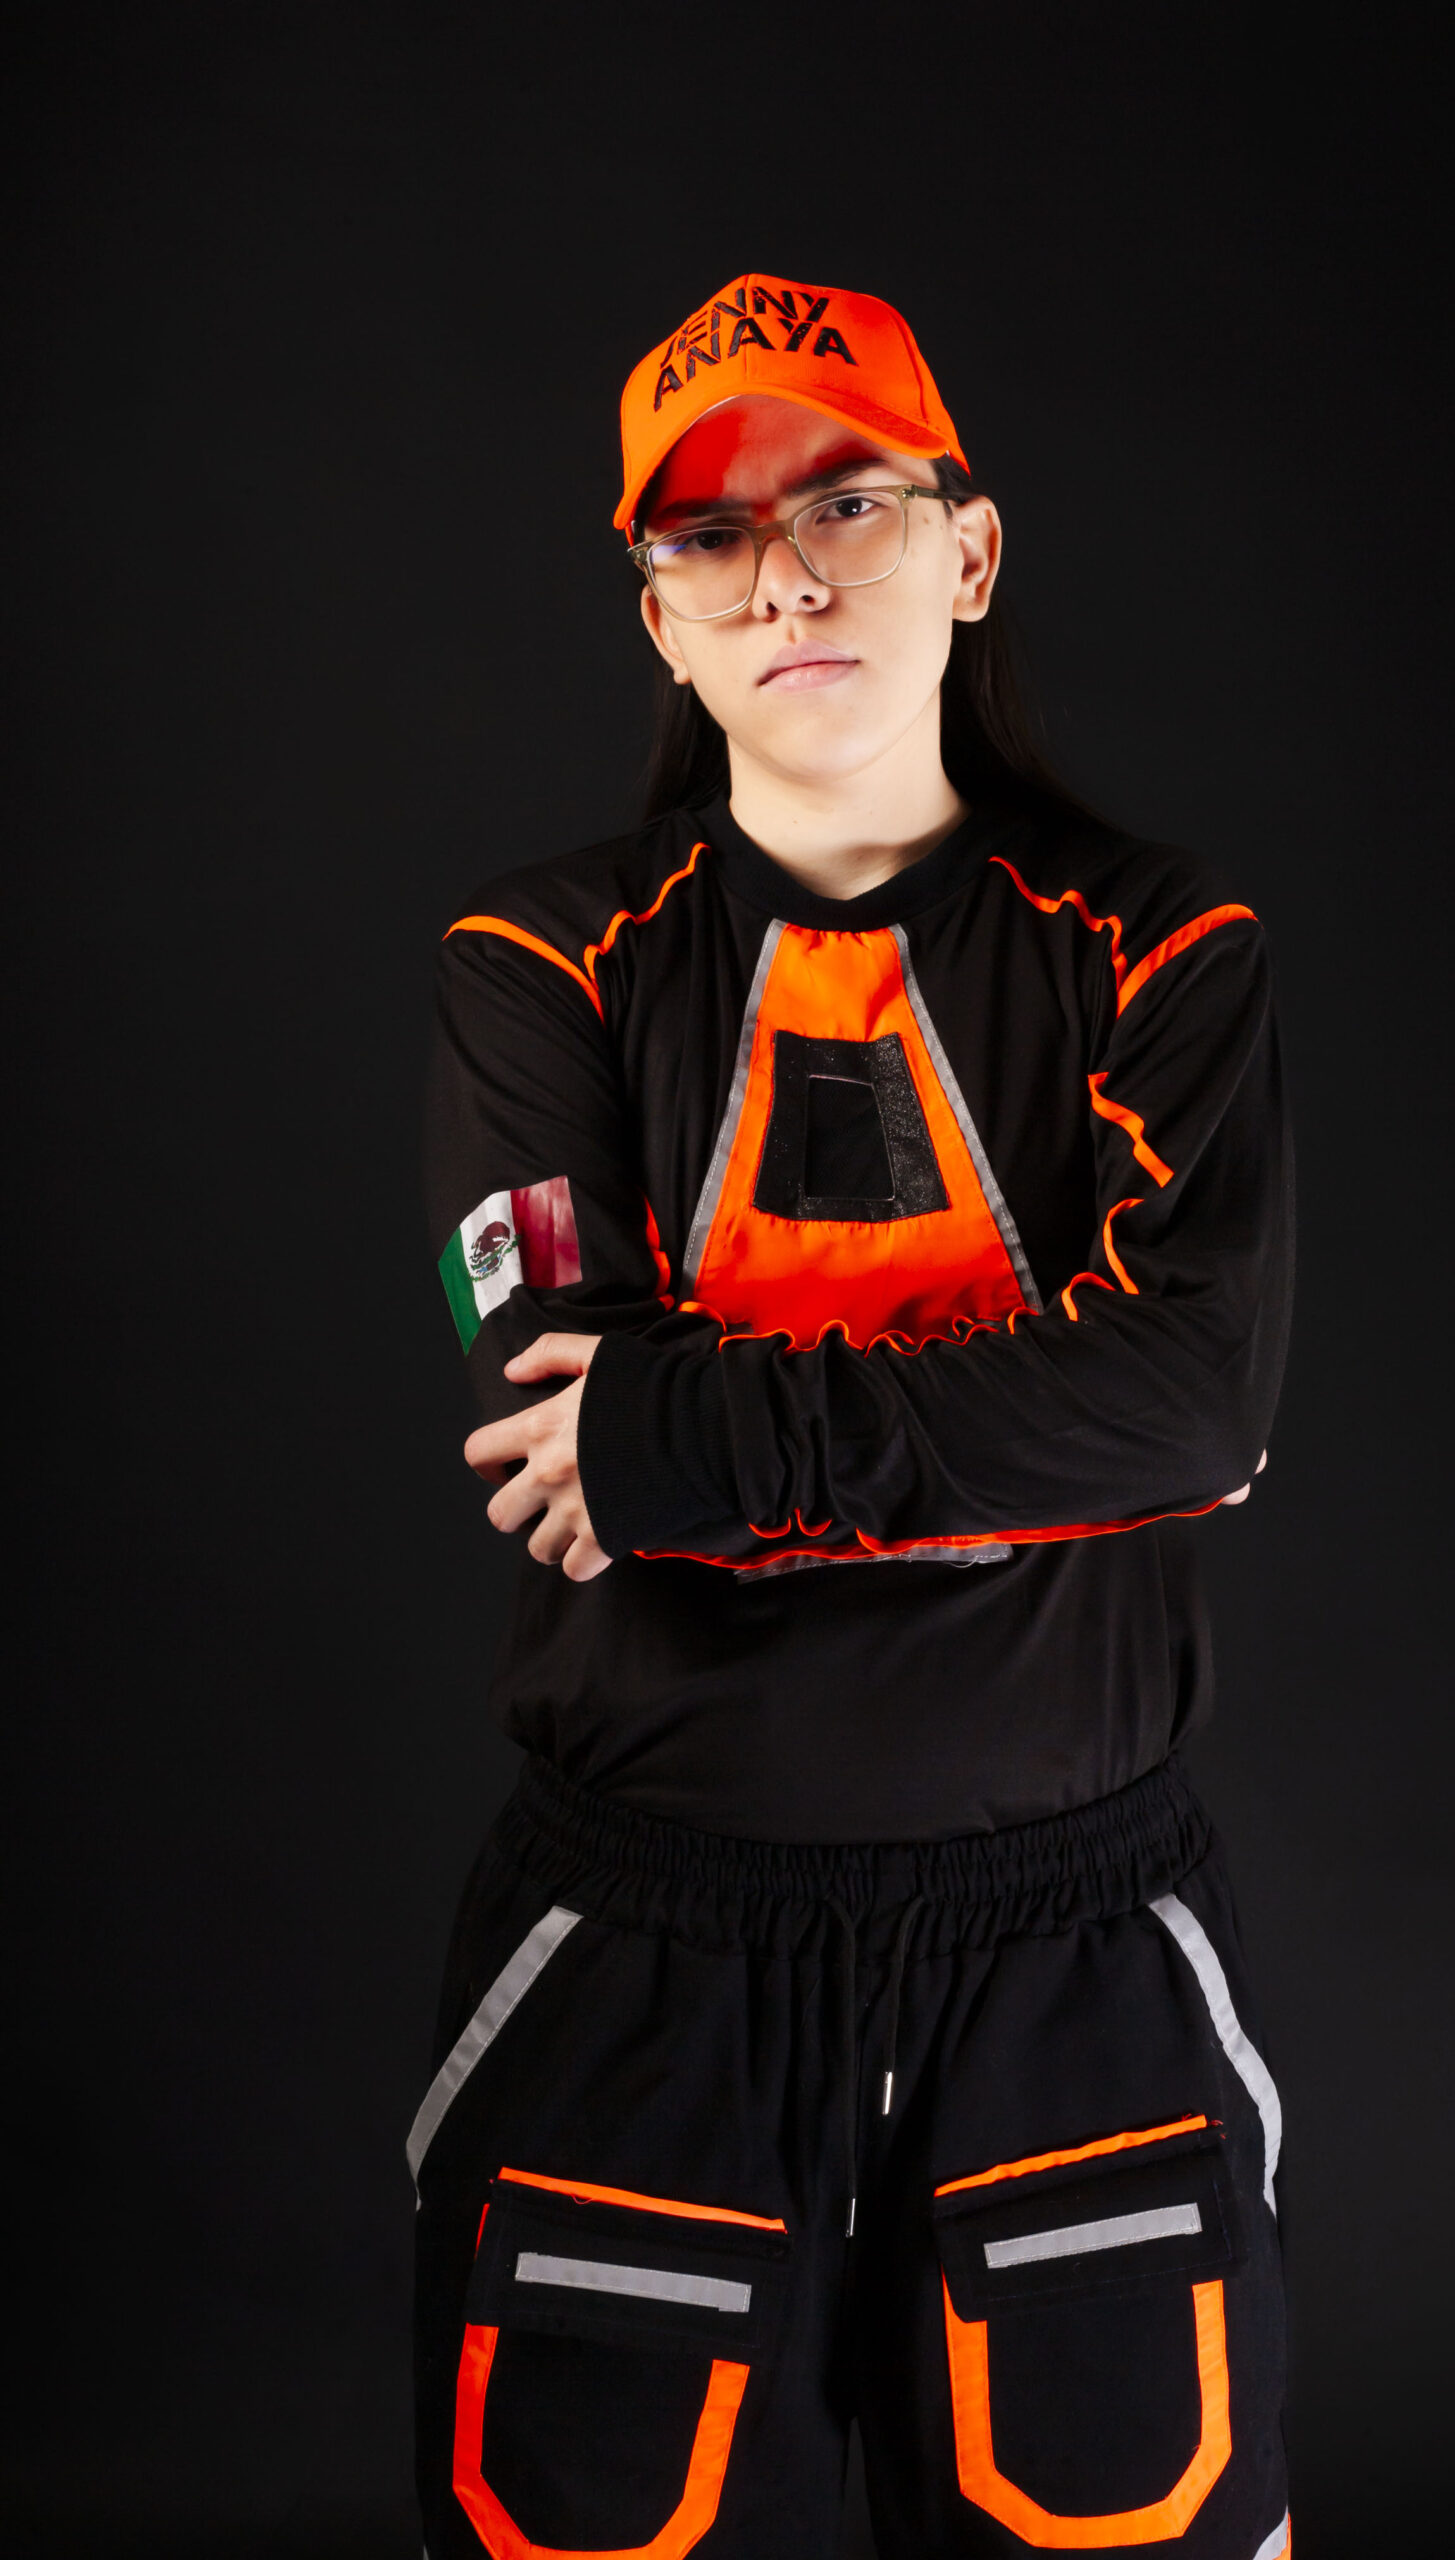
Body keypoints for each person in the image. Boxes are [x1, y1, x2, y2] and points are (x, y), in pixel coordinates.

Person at [412, 273, 1295, 2560]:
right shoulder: (535, 966)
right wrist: (1012, 1410)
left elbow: (1191, 1402)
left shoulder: (1160, 950)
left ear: (967, 551)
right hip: (642, 1943)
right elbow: (558, 1432)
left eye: (845, 503)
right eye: (707, 536)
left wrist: (692, 1435)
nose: (783, 575)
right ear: (658, 620)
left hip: (1074, 1948)